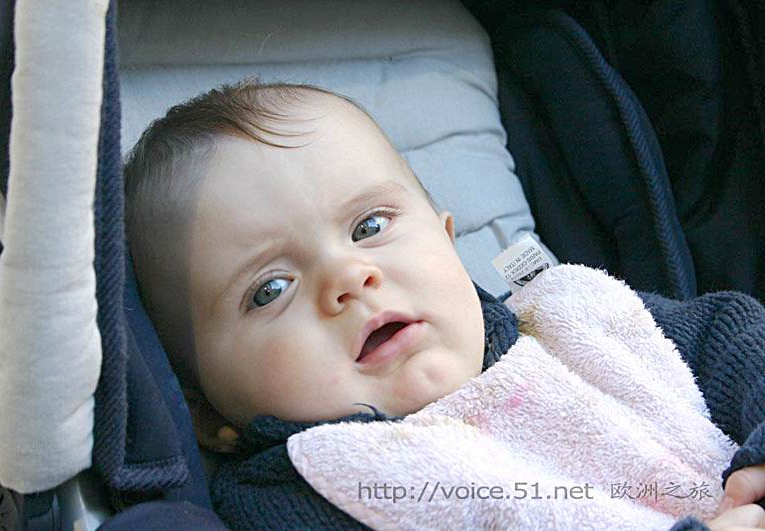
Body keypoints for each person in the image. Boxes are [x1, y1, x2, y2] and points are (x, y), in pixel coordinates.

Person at [124, 78, 765, 530]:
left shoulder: (568, 319)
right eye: (270, 289)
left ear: (448, 241)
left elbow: (734, 338)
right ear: (207, 415)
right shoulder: (309, 493)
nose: (349, 277)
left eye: (370, 226)